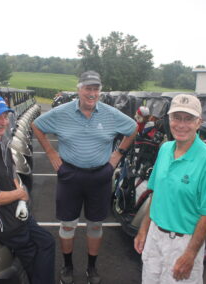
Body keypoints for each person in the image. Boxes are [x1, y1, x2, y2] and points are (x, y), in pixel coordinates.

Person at [32, 71, 137, 284]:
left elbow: (133, 128)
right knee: (68, 224)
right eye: (88, 88)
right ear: (79, 89)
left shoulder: (111, 113)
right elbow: (37, 126)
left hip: (100, 176)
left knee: (95, 225)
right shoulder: (62, 112)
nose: (92, 93)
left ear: (100, 91)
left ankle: (92, 267)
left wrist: (117, 155)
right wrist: (51, 153)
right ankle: (68, 266)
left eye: (96, 88)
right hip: (70, 175)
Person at [134, 94, 206, 283]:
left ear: (199, 122)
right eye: (176, 117)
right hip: (155, 236)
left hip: (183, 243)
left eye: (188, 118)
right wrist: (143, 229)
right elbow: (157, 193)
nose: (181, 125)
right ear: (169, 119)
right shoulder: (166, 148)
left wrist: (190, 254)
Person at [0, 95, 55, 284]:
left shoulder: (2, 144)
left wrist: (21, 199)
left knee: (47, 241)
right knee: (31, 252)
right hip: (1, 221)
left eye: (5, 116)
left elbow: (13, 178)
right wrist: (21, 194)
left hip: (15, 211)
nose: (3, 122)